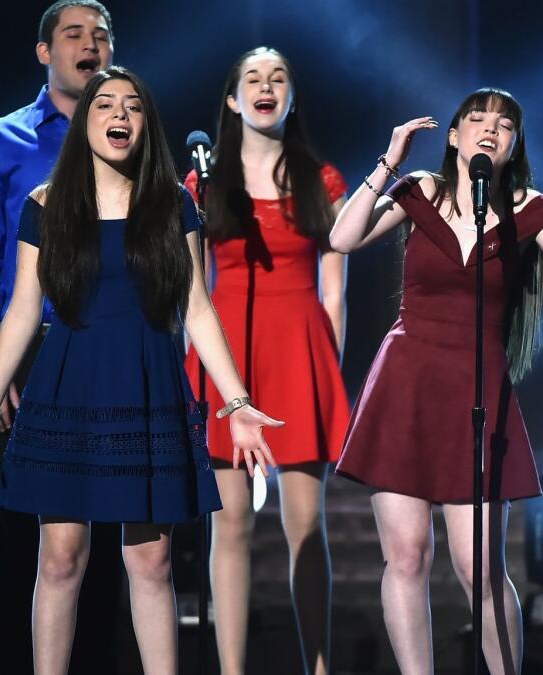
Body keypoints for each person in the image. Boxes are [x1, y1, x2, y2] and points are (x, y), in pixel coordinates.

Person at [0, 66, 282, 675]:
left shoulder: (172, 204)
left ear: (146, 124)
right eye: (105, 104)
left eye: (133, 105)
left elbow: (197, 309)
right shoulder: (45, 205)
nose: (119, 115)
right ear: (87, 122)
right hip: (68, 384)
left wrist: (236, 403)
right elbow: (23, 311)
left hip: (146, 384)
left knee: (150, 563)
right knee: (61, 556)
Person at [331, 88, 543, 675]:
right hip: (406, 384)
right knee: (405, 556)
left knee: (479, 566)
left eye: (505, 124)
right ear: (453, 136)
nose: (491, 129)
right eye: (477, 119)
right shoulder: (419, 192)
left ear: (513, 146)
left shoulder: (528, 207)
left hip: (476, 389)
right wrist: (390, 160)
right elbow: (342, 238)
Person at [0, 2, 122, 671]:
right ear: (44, 51)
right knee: (29, 541)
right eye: (74, 34)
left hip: (112, 352)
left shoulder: (129, 137)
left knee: (109, 542)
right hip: (32, 355)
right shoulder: (2, 142)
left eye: (101, 36)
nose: (90, 45)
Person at [181, 46, 349, 675]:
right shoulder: (204, 180)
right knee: (231, 528)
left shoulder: (321, 178)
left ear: (292, 98)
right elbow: (191, 288)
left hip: (299, 353)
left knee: (306, 528)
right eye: (252, 78)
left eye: (278, 77)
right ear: (232, 99)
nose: (266, 86)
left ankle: (320, 667)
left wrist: (327, 369)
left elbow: (335, 292)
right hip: (227, 355)